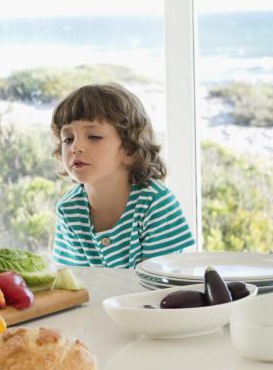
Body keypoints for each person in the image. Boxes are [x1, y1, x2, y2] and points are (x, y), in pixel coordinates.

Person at [50, 83, 194, 268]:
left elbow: (160, 286)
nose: (75, 147)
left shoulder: (155, 203)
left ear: (130, 150)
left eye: (93, 136)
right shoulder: (68, 209)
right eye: (68, 139)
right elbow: (73, 282)